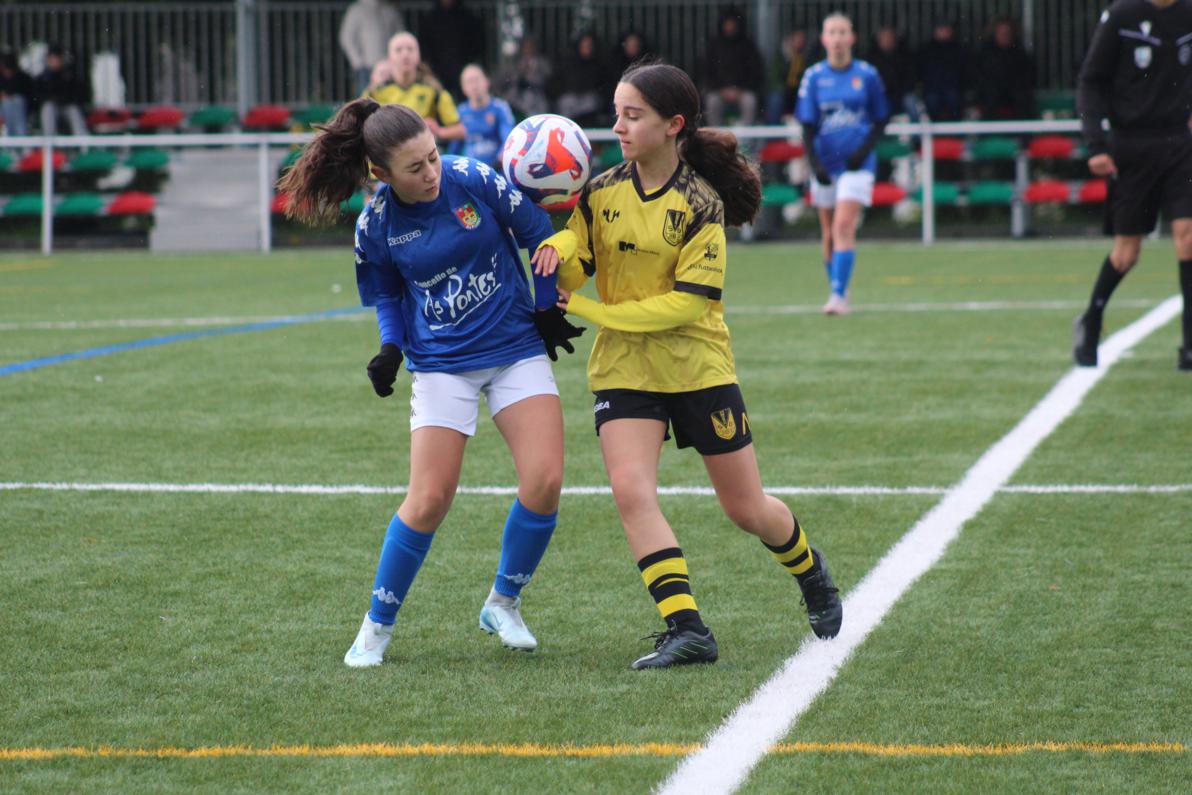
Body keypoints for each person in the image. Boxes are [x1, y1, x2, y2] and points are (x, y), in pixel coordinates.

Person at [534, 62, 843, 670]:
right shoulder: (601, 190)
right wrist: (556, 247)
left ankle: (812, 573)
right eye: (617, 114)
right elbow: (580, 255)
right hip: (625, 368)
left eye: (633, 116)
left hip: (697, 367)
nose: (618, 127)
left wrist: (591, 310)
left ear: (673, 125)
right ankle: (687, 628)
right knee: (631, 491)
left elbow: (684, 306)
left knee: (746, 508)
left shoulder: (702, 204)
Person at [276, 99, 585, 667]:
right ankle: (376, 625)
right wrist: (390, 349)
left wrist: (545, 308)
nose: (431, 172)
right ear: (380, 173)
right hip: (442, 364)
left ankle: (503, 602)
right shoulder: (375, 225)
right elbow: (387, 294)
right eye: (414, 167)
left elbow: (536, 230)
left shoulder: (472, 178)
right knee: (429, 500)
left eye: (434, 156)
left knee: (544, 480)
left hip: (515, 348)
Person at [1073, 0, 1192, 371]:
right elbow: (1091, 81)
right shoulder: (1121, 16)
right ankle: (1091, 319)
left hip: (1180, 143)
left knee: (1188, 237)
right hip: (1132, 146)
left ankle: (1190, 346)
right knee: (1127, 253)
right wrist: (1095, 143)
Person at [797, 13, 890, 315]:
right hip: (825, 164)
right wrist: (815, 165)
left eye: (842, 32)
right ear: (824, 39)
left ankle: (837, 295)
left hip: (857, 165)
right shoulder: (813, 77)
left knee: (843, 224)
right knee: (828, 232)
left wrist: (863, 152)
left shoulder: (867, 74)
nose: (837, 38)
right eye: (832, 32)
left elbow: (881, 118)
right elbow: (807, 126)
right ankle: (839, 287)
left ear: (852, 38)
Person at [367, 32, 465, 146]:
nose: (405, 54)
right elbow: (359, 127)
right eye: (398, 50)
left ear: (418, 55)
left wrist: (438, 131)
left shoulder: (433, 90)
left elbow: (461, 130)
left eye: (410, 49)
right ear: (389, 58)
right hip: (386, 151)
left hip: (422, 151)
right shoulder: (375, 92)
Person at [701, 6, 765, 126]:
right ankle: (714, 134)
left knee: (750, 101)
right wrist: (721, 89)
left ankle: (746, 135)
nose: (729, 28)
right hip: (718, 91)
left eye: (732, 25)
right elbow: (707, 72)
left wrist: (740, 89)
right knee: (712, 101)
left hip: (743, 91)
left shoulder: (748, 46)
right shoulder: (714, 46)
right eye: (727, 24)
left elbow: (755, 72)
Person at [418, 0, 486, 99]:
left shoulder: (467, 17)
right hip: (438, 69)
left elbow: (476, 43)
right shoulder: (430, 19)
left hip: (462, 66)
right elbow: (425, 45)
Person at [974, 16, 1035, 120]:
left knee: (1023, 99)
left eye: (1007, 33)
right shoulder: (985, 52)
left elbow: (1027, 74)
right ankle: (987, 129)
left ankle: (1024, 129)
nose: (1004, 36)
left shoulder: (1019, 52)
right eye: (1001, 33)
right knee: (989, 99)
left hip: (1014, 89)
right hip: (991, 89)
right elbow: (978, 74)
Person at [338, 0, 405, 95]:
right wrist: (358, 63)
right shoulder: (356, 10)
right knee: (365, 100)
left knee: (393, 98)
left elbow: (401, 36)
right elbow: (347, 38)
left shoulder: (389, 9)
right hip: (366, 67)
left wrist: (396, 59)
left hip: (391, 66)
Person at [550, 31, 614, 129]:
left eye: (589, 45)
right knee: (566, 104)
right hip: (569, 100)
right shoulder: (567, 63)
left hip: (590, 100)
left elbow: (605, 85)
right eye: (584, 45)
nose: (586, 48)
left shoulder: (599, 64)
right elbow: (556, 83)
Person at [457, 63, 516, 168]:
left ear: (486, 81)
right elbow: (454, 147)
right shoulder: (460, 112)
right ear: (463, 88)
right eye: (469, 82)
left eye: (477, 80)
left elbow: (509, 139)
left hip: (496, 169)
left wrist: (500, 160)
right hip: (471, 171)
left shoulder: (500, 108)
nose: (474, 86)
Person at [916, 19, 969, 121]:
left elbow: (964, 72)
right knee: (932, 100)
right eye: (941, 29)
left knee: (953, 98)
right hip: (932, 88)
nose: (943, 32)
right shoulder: (926, 50)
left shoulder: (958, 49)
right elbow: (920, 72)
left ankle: (956, 127)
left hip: (953, 87)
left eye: (946, 29)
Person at [34, 45, 89, 136]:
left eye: (57, 59)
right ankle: (49, 141)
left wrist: (64, 99)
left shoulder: (69, 76)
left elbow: (77, 94)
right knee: (48, 108)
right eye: (52, 59)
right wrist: (52, 99)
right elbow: (38, 97)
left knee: (73, 110)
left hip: (66, 107)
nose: (55, 62)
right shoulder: (42, 78)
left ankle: (82, 141)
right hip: (51, 108)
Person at [494, 36, 552, 119]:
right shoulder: (515, 62)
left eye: (530, 46)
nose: (528, 49)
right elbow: (505, 78)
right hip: (516, 94)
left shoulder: (542, 62)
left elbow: (547, 78)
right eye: (525, 47)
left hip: (537, 94)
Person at [865, 24, 916, 117]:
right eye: (884, 38)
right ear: (878, 40)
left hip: (902, 93)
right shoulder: (871, 58)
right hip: (880, 93)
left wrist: (902, 90)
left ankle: (916, 126)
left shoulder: (904, 56)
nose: (887, 40)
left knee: (911, 102)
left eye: (890, 37)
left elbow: (911, 77)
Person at [766, 29, 810, 125]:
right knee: (776, 98)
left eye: (802, 40)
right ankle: (774, 128)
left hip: (799, 89)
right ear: (791, 39)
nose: (799, 42)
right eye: (797, 39)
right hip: (783, 88)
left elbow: (808, 76)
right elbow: (775, 77)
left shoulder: (808, 56)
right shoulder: (781, 55)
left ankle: (805, 126)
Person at [0, 50, 34, 137]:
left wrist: (8, 96)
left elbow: (29, 97)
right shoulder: (1, 78)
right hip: (2, 112)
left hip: (19, 111)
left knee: (15, 101)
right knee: (7, 103)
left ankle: (19, 136)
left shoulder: (22, 78)